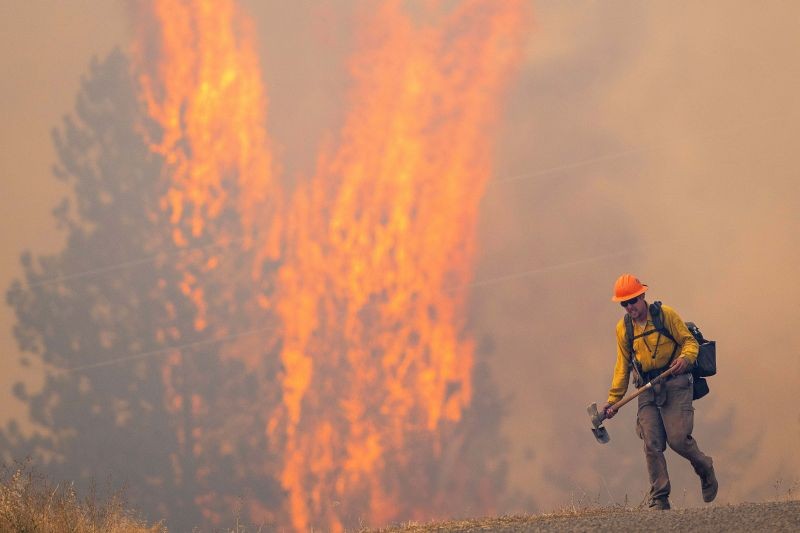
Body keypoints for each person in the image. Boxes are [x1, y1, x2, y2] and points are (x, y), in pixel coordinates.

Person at [603, 273, 717, 510]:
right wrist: (613, 400)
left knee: (678, 440)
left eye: (632, 301)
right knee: (651, 443)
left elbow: (690, 342)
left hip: (676, 381)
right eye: (624, 304)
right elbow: (622, 366)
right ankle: (660, 498)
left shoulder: (666, 315)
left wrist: (686, 359)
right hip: (647, 388)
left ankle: (705, 468)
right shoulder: (623, 329)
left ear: (642, 295)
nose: (629, 307)